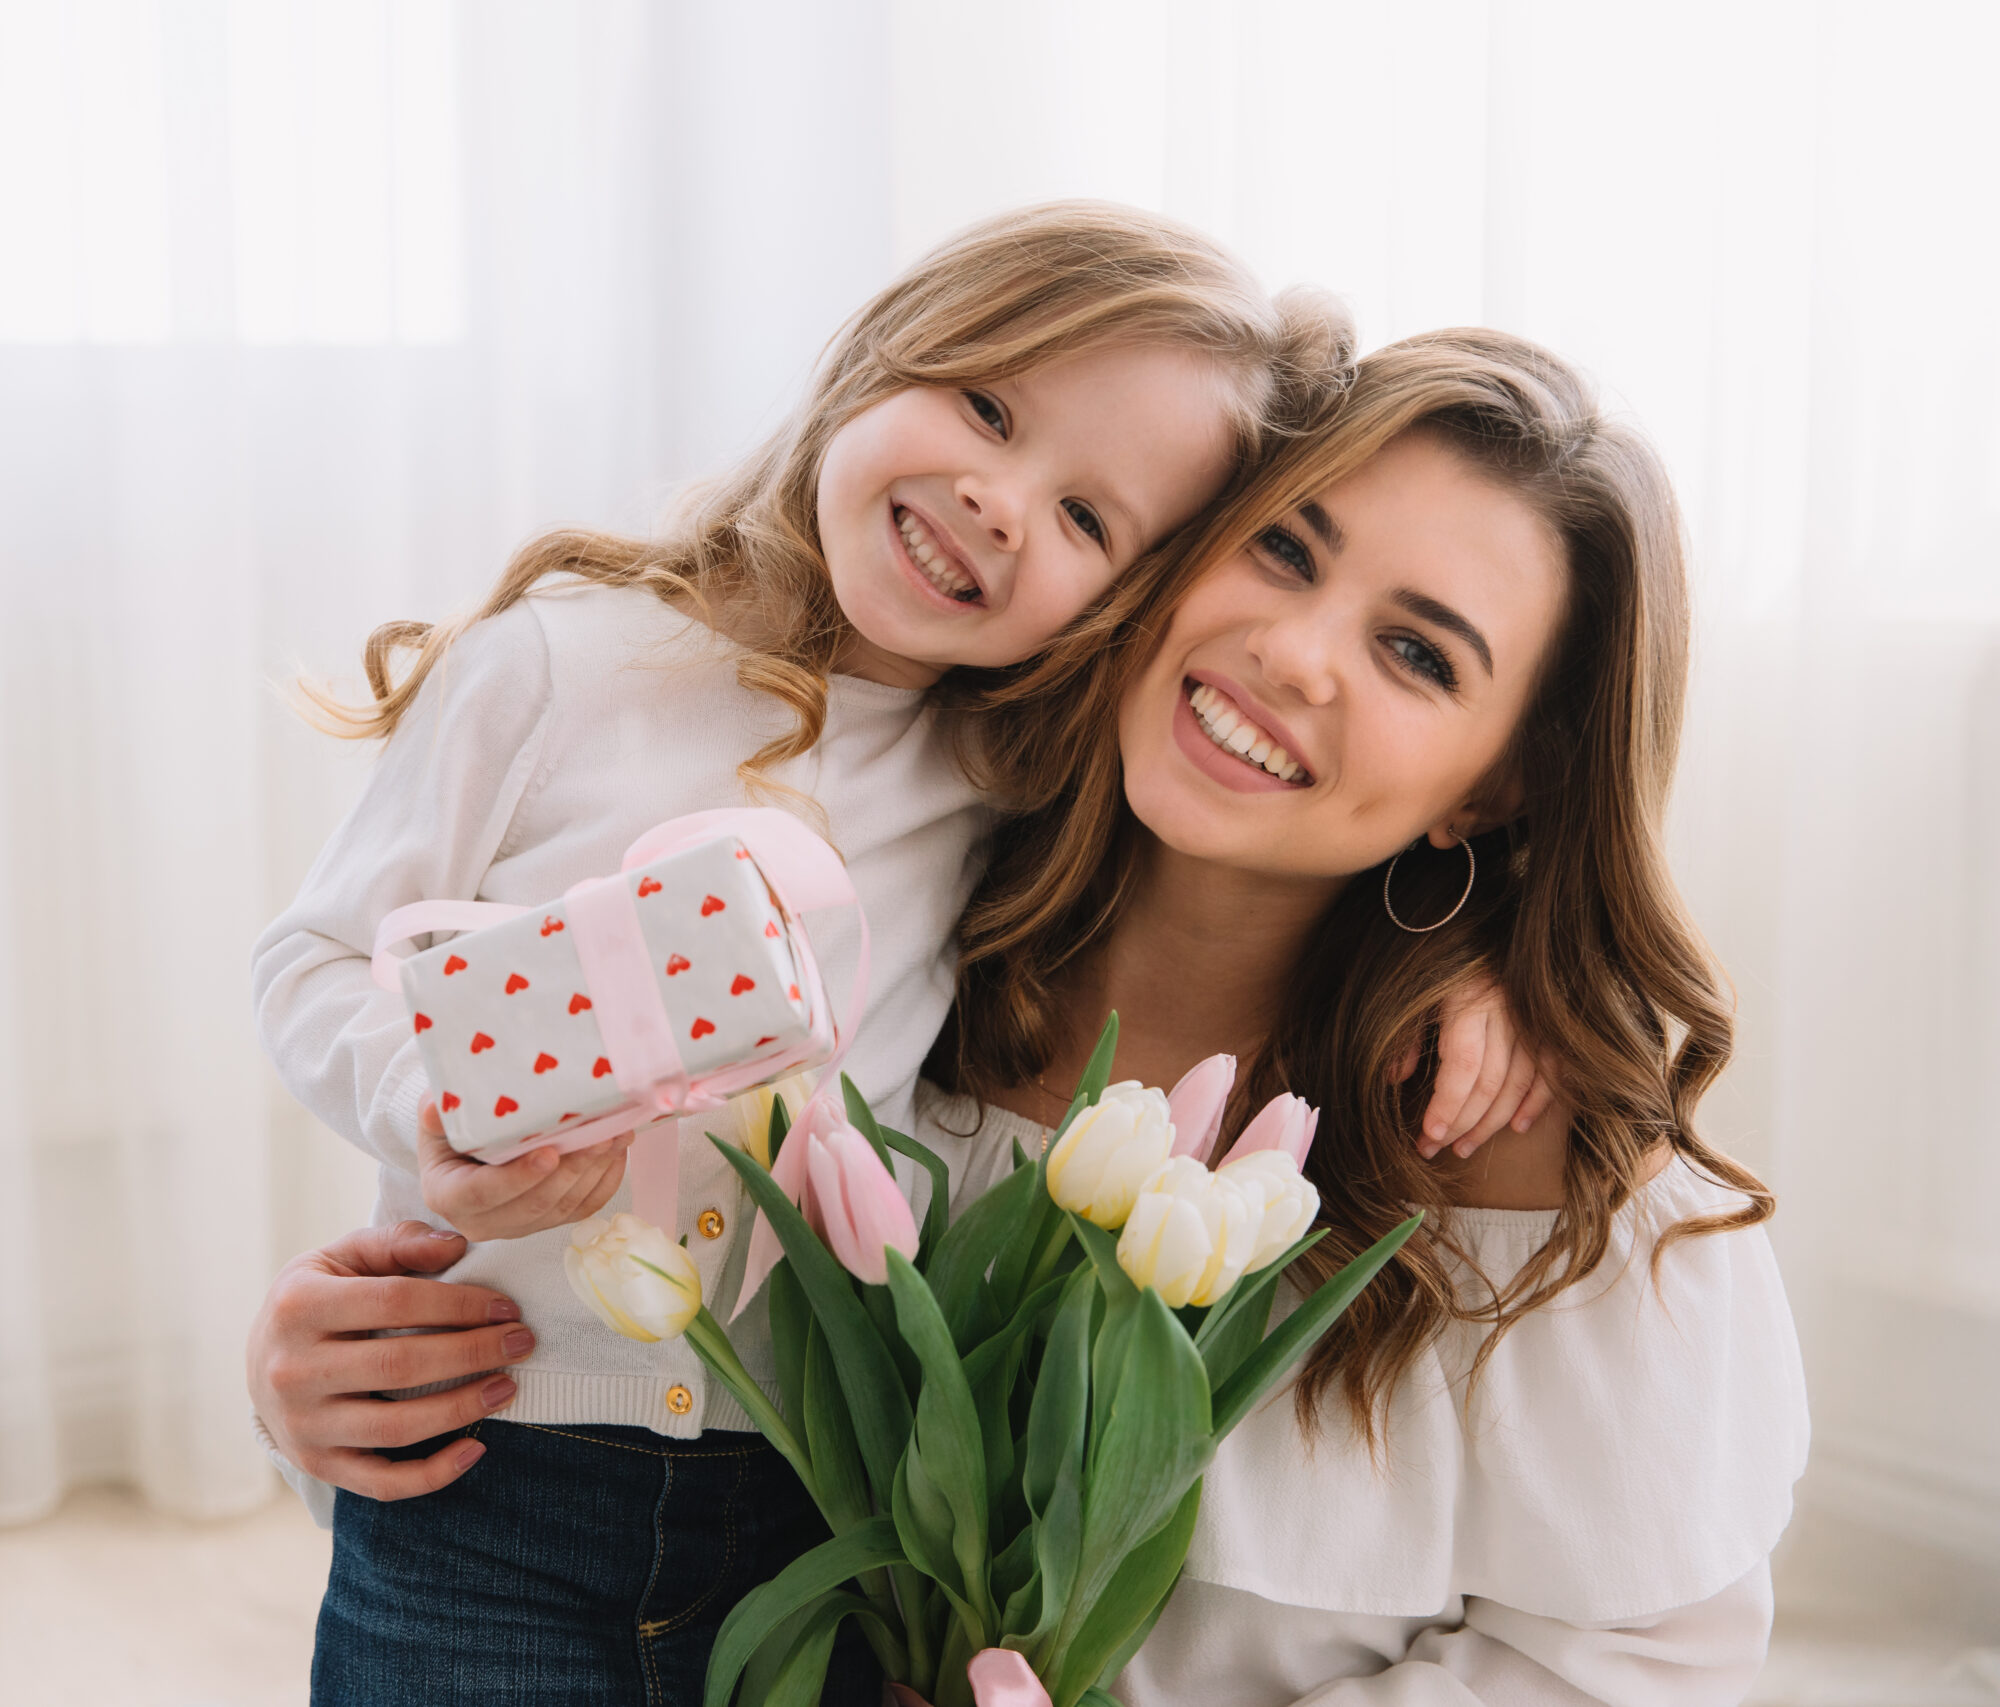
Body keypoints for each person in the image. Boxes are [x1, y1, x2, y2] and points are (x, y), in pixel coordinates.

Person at [252, 327, 1805, 1703]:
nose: (1291, 651)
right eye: (1282, 552)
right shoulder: (903, 949)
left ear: (1505, 783)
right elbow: (619, 1328)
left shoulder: (1507, 1133)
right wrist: (324, 1381)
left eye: (1415, 653)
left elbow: (1640, 1663)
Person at [253, 201, 1365, 1707]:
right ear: (878, 354)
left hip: (809, 1501)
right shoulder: (562, 663)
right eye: (989, 406)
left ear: (1121, 606)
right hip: (487, 1466)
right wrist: (431, 1104)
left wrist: (1488, 989)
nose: (1000, 501)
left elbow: (1291, 876)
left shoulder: (1006, 786)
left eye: (1091, 520)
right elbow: (316, 962)